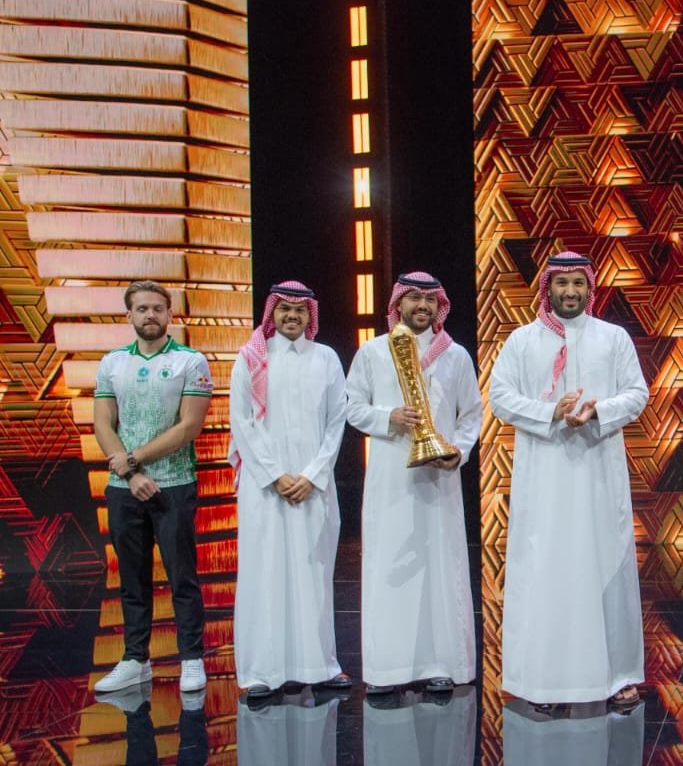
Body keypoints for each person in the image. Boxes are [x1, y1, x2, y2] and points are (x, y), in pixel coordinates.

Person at [491, 251, 649, 710]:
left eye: (578, 283)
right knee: (548, 571)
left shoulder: (613, 338)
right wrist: (549, 412)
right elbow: (500, 397)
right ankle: (543, 683)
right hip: (544, 479)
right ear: (548, 288)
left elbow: (637, 393)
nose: (570, 291)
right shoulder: (522, 341)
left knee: (606, 567)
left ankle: (617, 677)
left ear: (589, 288)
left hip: (599, 477)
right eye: (562, 283)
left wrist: (598, 410)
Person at [346, 272, 482, 693]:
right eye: (414, 298)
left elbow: (471, 414)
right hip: (391, 479)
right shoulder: (373, 352)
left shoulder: (455, 355)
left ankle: (442, 664)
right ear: (398, 304)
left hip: (439, 480)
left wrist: (459, 451)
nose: (422, 306)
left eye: (429, 299)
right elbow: (351, 407)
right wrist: (387, 417)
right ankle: (387, 671)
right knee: (389, 565)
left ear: (439, 306)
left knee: (441, 567)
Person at [230, 281, 350, 698]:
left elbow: (337, 421)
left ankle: (320, 666)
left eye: (300, 309)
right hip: (264, 488)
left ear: (310, 314)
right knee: (265, 574)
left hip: (313, 486)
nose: (292, 316)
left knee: (314, 574)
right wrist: (275, 475)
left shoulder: (326, 358)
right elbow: (242, 422)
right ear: (272, 313)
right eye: (284, 308)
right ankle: (261, 672)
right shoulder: (250, 358)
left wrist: (313, 474)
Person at [92, 280, 213, 694]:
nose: (150, 315)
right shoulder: (112, 363)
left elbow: (189, 426)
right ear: (129, 315)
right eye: (142, 308)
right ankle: (135, 659)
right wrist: (130, 475)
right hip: (123, 488)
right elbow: (103, 424)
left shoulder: (190, 361)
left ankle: (191, 658)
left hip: (173, 485)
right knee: (131, 578)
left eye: (158, 308)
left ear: (169, 314)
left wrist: (134, 460)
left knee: (182, 576)